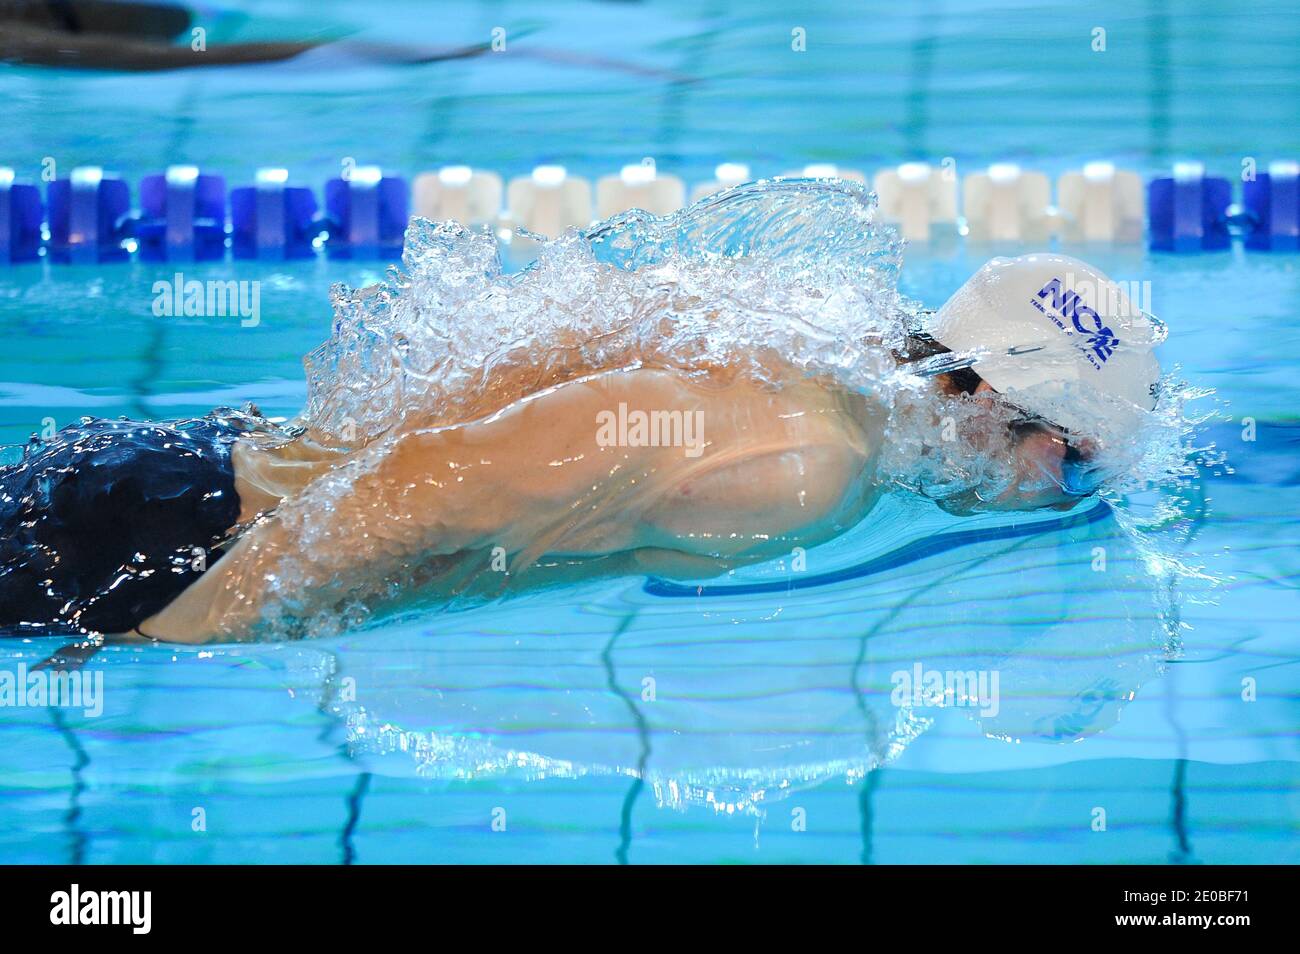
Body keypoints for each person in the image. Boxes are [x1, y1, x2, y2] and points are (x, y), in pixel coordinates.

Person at [0, 251, 1162, 642]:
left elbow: (488, 392)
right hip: (167, 540)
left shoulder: (825, 335)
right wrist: (182, 629)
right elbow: (429, 486)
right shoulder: (808, 463)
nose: (1057, 497)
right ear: (988, 397)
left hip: (196, 479)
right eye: (1070, 459)